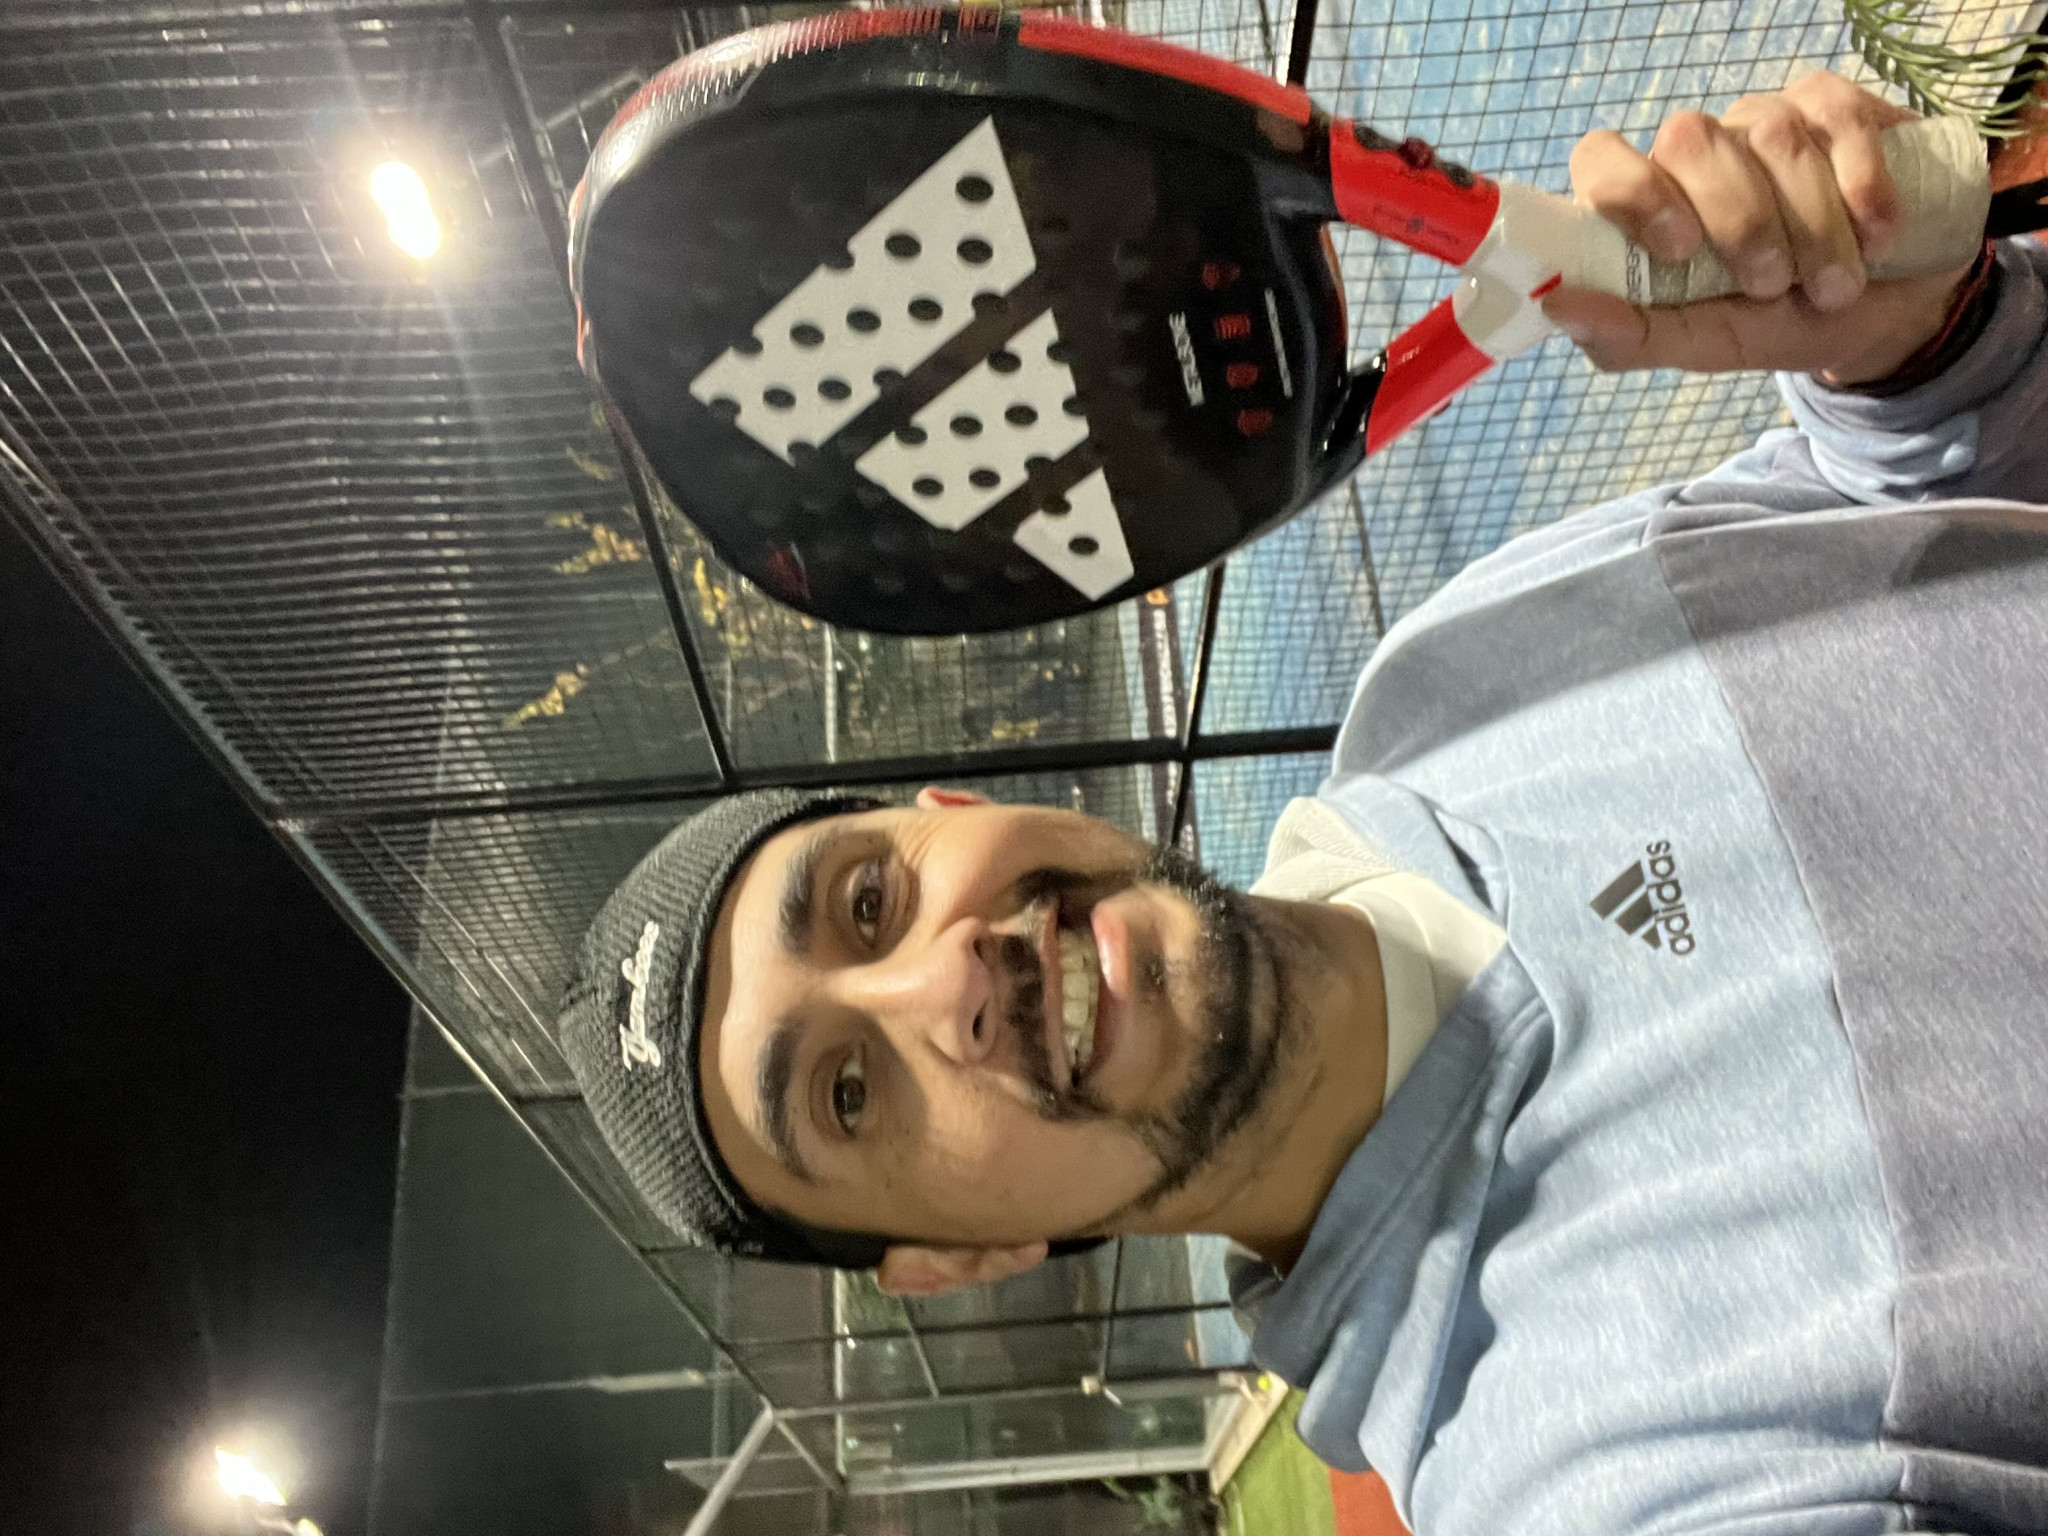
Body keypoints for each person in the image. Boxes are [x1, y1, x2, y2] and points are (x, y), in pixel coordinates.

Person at [557, 71, 2047, 1536]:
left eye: (869, 899)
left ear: (949, 805)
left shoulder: (1446, 680)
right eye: (849, 1092)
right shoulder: (1580, 1475)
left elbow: (1938, 477)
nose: (945, 981)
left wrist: (1915, 348)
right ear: (961, 1259)